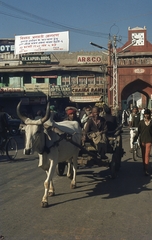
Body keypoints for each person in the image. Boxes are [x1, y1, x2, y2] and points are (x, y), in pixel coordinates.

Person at [136, 109, 152, 176]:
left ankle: (146, 169)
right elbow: (138, 132)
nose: (146, 115)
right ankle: (144, 165)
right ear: (144, 115)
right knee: (143, 154)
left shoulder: (151, 122)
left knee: (147, 154)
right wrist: (135, 138)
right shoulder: (141, 122)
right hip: (142, 140)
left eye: (147, 114)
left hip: (149, 140)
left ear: (149, 115)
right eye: (145, 114)